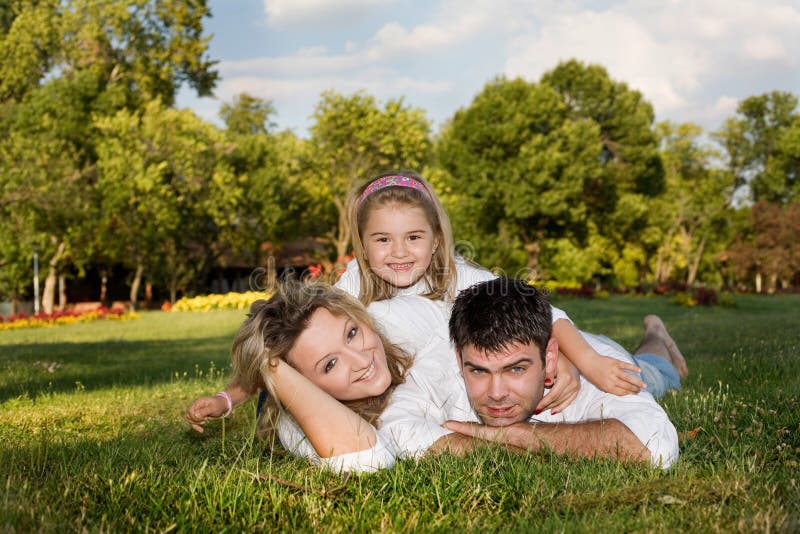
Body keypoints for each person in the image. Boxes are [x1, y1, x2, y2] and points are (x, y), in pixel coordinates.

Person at [186, 170, 653, 431]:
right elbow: (282, 347)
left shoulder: (463, 278)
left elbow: (548, 315)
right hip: (475, 383)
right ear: (363, 244)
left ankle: (657, 341)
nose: (399, 252)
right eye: (382, 240)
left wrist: (582, 363)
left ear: (435, 240)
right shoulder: (348, 291)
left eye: (413, 237)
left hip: (553, 353)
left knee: (644, 374)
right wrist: (229, 397)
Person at [377, 277, 682, 468]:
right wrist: (498, 448)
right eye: (479, 371)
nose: (496, 393)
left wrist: (516, 434)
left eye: (516, 369)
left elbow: (656, 447)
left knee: (658, 374)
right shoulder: (441, 360)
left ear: (550, 357)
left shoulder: (597, 376)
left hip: (607, 354)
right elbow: (394, 427)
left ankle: (656, 331)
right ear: (459, 358)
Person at [189, 281, 412, 472]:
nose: (362, 361)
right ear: (300, 385)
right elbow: (370, 460)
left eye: (351, 333)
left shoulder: (401, 334)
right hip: (276, 392)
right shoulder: (293, 427)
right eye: (330, 364)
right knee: (264, 383)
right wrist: (269, 365)